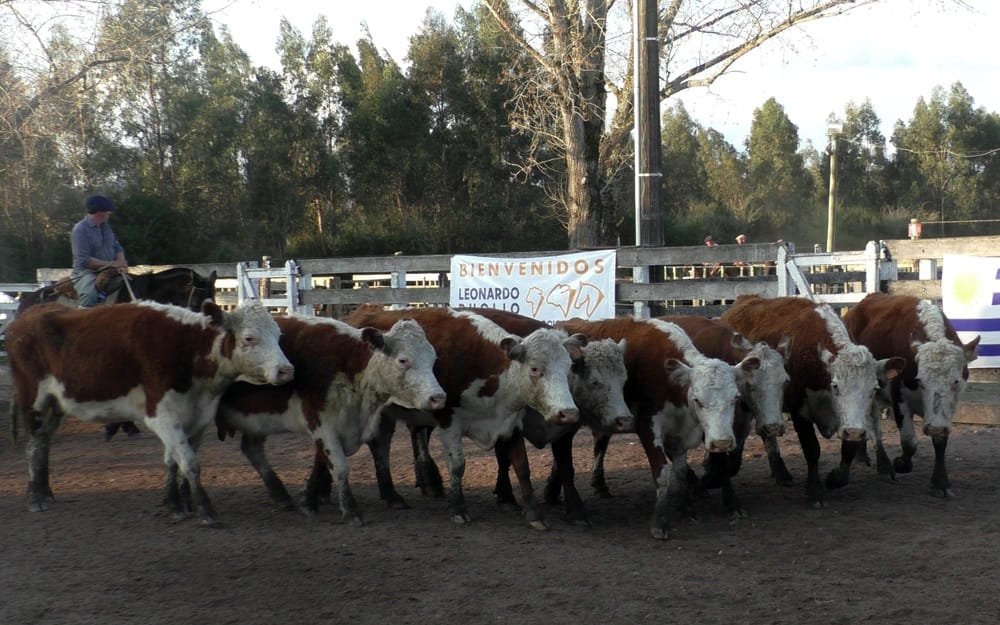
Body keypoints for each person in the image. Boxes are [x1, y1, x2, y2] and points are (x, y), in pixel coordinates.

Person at [71, 195, 128, 307]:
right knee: (90, 295)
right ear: (99, 212)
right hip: (86, 273)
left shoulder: (106, 227)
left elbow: (117, 247)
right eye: (107, 212)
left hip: (111, 270)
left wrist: (122, 263)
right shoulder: (80, 230)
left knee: (132, 284)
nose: (109, 214)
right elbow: (84, 260)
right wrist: (113, 264)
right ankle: (84, 319)